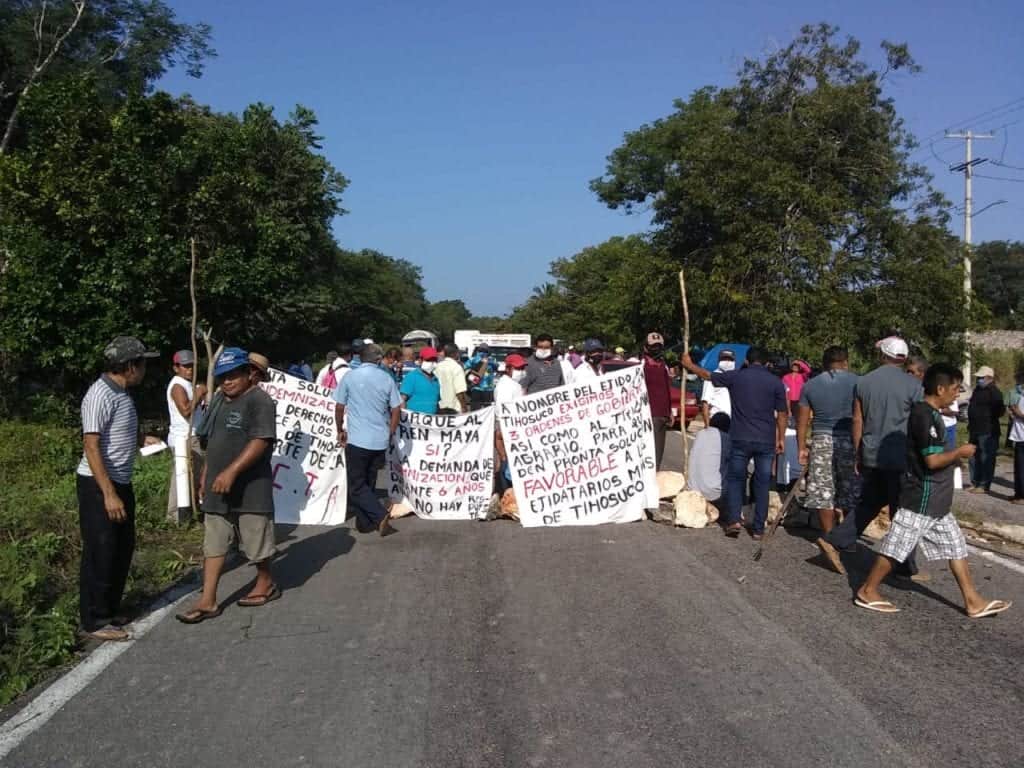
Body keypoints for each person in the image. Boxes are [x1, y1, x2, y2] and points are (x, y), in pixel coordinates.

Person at [854, 363, 1011, 619]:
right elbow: (932, 461)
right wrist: (959, 453)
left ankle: (973, 600)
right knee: (896, 547)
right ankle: (868, 590)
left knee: (956, 546)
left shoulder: (933, 414)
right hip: (922, 498)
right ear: (940, 388)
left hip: (937, 500)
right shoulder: (924, 416)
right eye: (955, 388)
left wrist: (952, 456)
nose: (957, 394)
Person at [177, 348, 279, 624]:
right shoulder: (220, 399)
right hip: (217, 485)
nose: (227, 381)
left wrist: (232, 471)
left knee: (256, 541)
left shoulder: (261, 401)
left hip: (251, 486)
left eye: (233, 375)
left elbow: (261, 440)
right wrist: (206, 475)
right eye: (222, 377)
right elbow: (212, 441)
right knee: (214, 541)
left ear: (249, 374)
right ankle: (208, 600)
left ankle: (265, 582)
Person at [77, 336, 159, 641]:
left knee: (121, 548)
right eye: (142, 363)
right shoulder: (99, 395)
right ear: (129, 366)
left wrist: (141, 440)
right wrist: (108, 493)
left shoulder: (123, 393)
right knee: (101, 550)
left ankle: (110, 610)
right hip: (99, 486)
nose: (145, 369)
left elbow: (118, 429)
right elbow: (91, 445)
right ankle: (94, 620)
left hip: (120, 481)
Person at [818, 336, 921, 577]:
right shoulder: (913, 385)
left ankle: (836, 539)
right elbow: (919, 422)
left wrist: (858, 452)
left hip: (872, 453)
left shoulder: (864, 382)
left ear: (882, 355)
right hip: (901, 456)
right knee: (904, 510)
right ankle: (904, 563)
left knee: (871, 502)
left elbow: (858, 419)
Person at [682, 346, 787, 539]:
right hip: (765, 439)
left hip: (740, 437)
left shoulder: (737, 376)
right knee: (763, 482)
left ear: (746, 361)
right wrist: (780, 438)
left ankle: (733, 521)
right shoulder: (776, 383)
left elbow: (708, 376)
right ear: (766, 363)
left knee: (736, 479)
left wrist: (689, 365)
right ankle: (758, 529)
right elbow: (782, 413)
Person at [796, 347, 859, 566]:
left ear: (824, 363)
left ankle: (830, 537)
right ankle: (848, 538)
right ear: (845, 362)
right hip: (850, 439)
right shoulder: (857, 383)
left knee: (824, 491)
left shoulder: (811, 385)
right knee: (850, 488)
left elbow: (803, 420)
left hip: (821, 439)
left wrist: (801, 447)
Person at [334, 343, 401, 536]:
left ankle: (379, 515)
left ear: (360, 358)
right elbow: (396, 408)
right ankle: (365, 524)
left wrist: (339, 428)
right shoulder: (386, 378)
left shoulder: (350, 376)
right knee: (369, 481)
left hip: (357, 439)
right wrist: (391, 431)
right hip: (380, 439)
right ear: (378, 359)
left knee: (356, 486)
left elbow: (339, 406)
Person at [166, 350, 207, 519]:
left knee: (194, 476)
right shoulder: (178, 386)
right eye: (185, 366)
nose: (189, 369)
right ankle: (175, 515)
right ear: (176, 368)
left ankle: (189, 512)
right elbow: (186, 411)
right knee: (182, 476)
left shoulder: (189, 384)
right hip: (185, 437)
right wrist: (198, 394)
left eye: (192, 366)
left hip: (193, 435)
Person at [967, 365, 1004, 494]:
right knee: (973, 456)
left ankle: (984, 485)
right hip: (974, 428)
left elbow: (1000, 411)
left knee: (986, 457)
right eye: (978, 378)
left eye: (981, 378)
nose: (978, 380)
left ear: (989, 378)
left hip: (988, 430)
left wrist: (986, 417)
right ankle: (974, 482)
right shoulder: (977, 390)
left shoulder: (995, 392)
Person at [494, 353, 528, 492]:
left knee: (509, 463)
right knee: (507, 463)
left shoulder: (513, 384)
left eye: (522, 368)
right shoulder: (505, 386)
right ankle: (506, 492)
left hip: (512, 427)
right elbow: (502, 410)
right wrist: (503, 432)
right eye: (518, 368)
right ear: (508, 368)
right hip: (506, 427)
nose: (521, 371)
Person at [641, 332, 673, 470]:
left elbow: (666, 389)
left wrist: (670, 411)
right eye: (653, 346)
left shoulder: (663, 366)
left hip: (662, 415)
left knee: (658, 453)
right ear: (646, 348)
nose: (657, 349)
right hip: (647, 416)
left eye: (659, 346)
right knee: (647, 452)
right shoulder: (640, 366)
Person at [688, 412, 731, 508]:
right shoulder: (725, 438)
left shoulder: (700, 434)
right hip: (713, 494)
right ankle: (731, 511)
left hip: (693, 489)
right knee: (736, 471)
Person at [400, 347, 441, 414]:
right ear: (420, 360)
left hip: (431, 421)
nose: (432, 363)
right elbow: (402, 400)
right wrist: (404, 418)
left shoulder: (436, 379)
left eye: (434, 360)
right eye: (429, 360)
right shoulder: (412, 377)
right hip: (413, 423)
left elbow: (436, 402)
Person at [700, 349, 734, 428]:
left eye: (730, 359)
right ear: (719, 361)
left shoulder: (736, 377)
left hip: (732, 422)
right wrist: (707, 425)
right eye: (724, 359)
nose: (727, 361)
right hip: (717, 420)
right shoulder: (711, 378)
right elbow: (705, 403)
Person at [436, 344, 469, 414]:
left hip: (439, 406)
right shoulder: (457, 368)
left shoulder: (437, 366)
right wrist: (464, 407)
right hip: (454, 408)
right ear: (455, 353)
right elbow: (460, 391)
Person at [465, 343, 498, 409]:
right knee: (488, 410)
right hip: (488, 389)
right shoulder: (492, 360)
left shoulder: (472, 359)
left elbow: (465, 368)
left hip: (476, 387)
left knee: (475, 410)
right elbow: (496, 367)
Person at [1008, 372, 1024, 504]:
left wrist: (1018, 413)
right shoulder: (1022, 396)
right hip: (1019, 436)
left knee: (1022, 468)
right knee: (1018, 468)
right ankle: (1018, 493)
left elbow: (1021, 413)